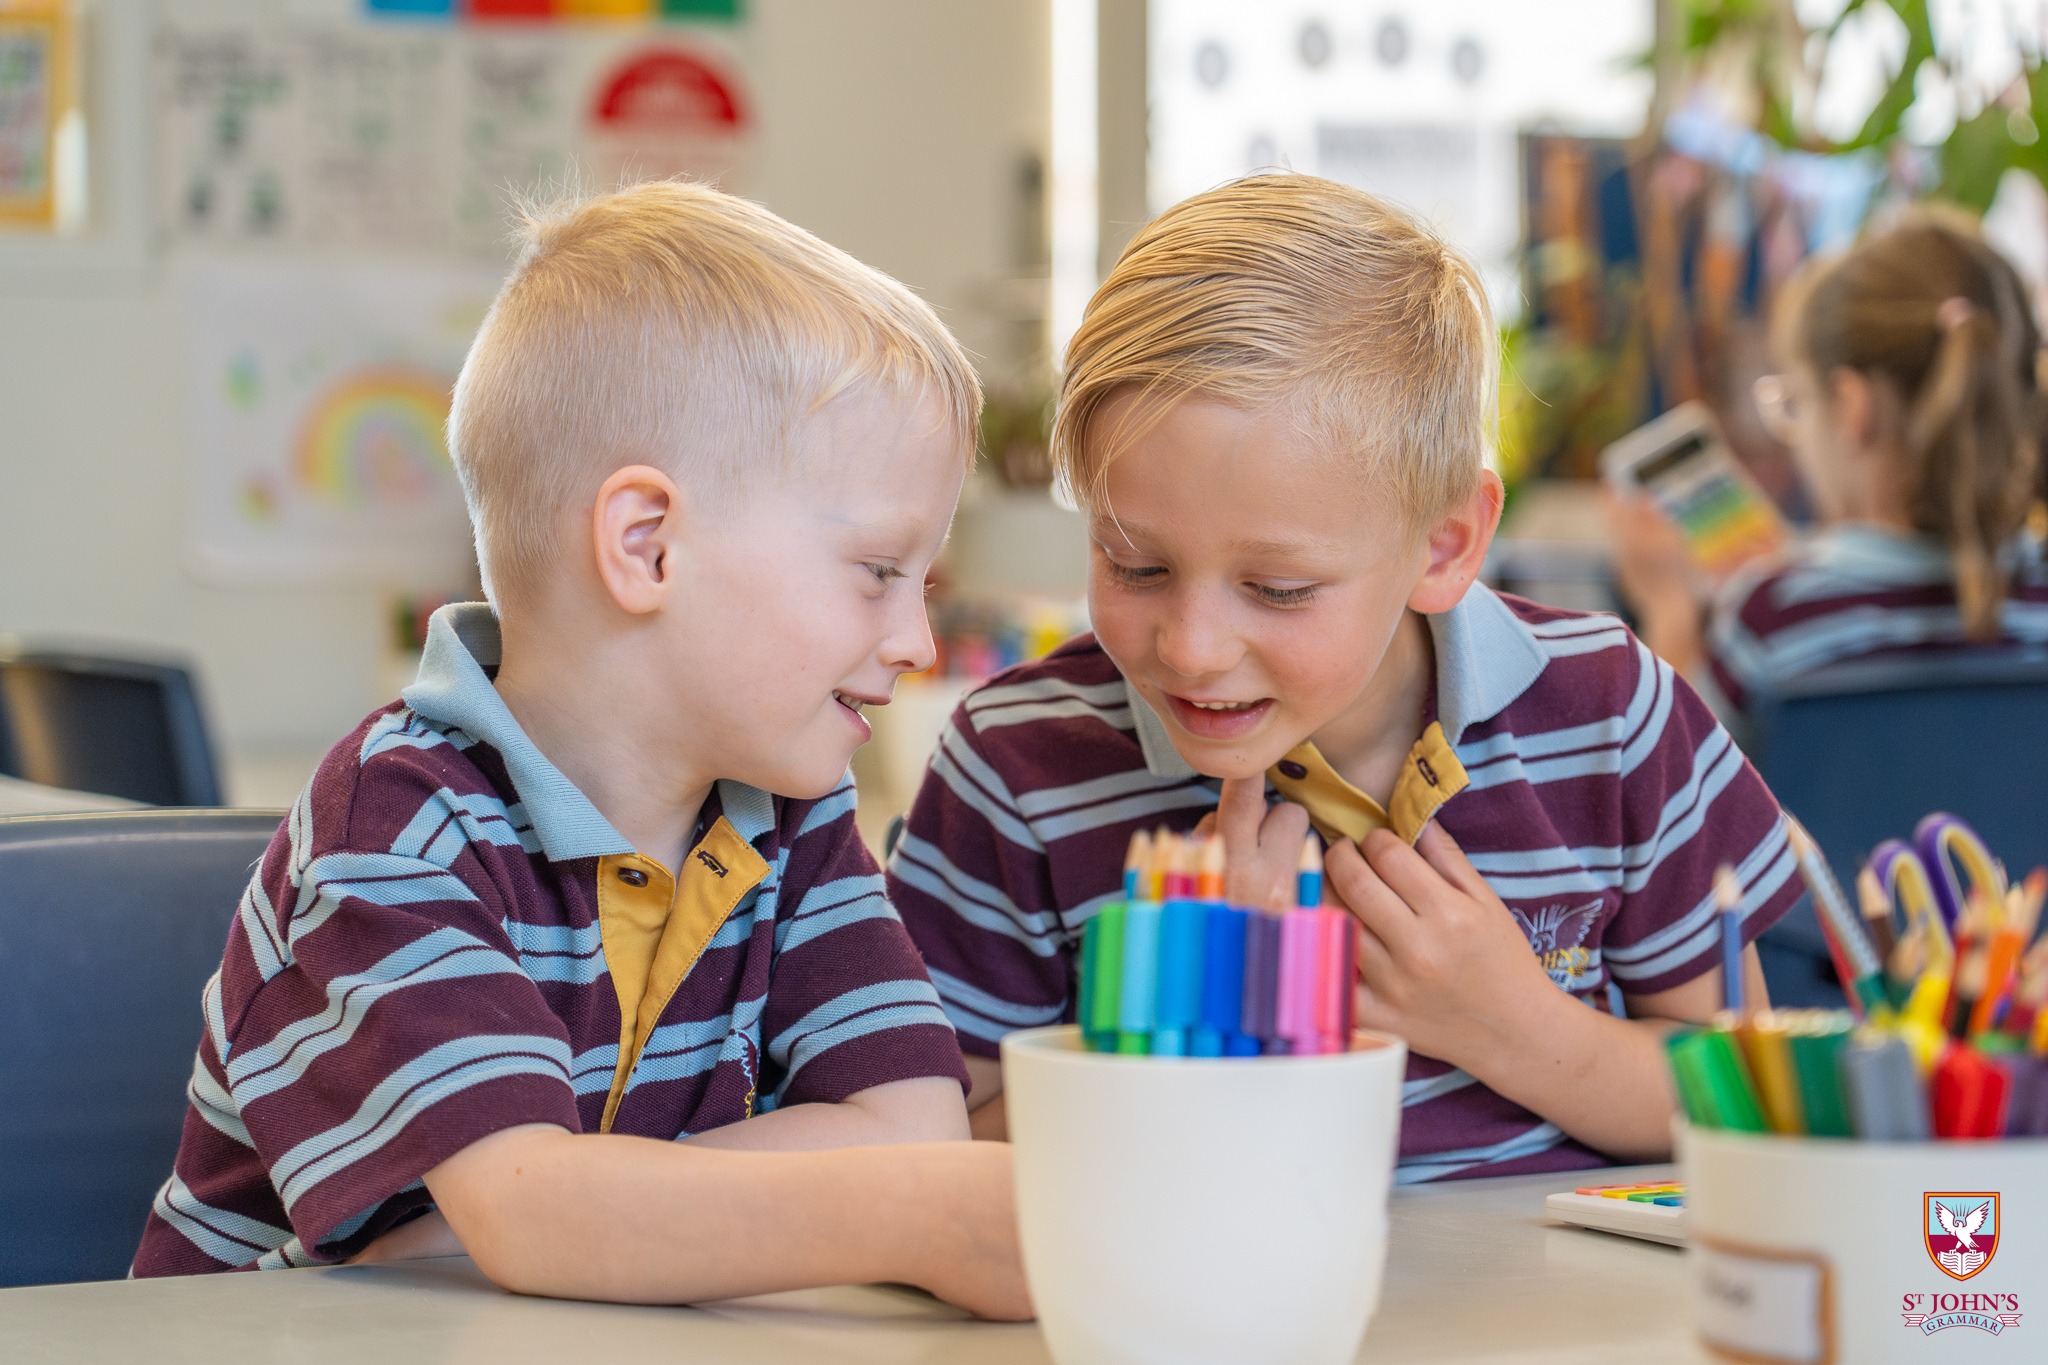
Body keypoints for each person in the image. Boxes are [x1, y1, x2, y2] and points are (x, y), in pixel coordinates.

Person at [131, 182, 1028, 1319]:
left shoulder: (789, 813)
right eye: (876, 572)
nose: (914, 642)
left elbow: (909, 1123)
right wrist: (907, 1214)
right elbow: (535, 1210)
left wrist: (579, 1218)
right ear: (647, 546)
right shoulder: (396, 823)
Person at [888, 174, 1798, 1182]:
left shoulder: (1611, 716)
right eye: (1133, 566)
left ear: (1444, 545)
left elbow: (1756, 1101)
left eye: (1277, 589)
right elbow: (927, 1149)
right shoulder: (1017, 763)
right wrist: (1171, 1019)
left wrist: (1512, 1029)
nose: (1189, 648)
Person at [1611, 213, 2048, 715]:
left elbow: (1668, 779)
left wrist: (1669, 612)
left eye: (1796, 403)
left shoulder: (1774, 617)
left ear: (1851, 407)